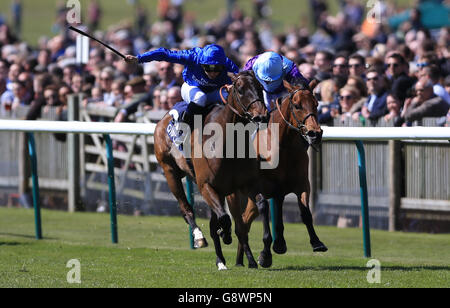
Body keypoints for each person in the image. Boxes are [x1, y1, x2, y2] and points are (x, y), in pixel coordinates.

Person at [124, 44, 239, 126]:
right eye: (208, 68)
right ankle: (182, 128)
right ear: (201, 63)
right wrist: (139, 59)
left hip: (215, 92)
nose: (213, 72)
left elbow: (242, 82)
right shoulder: (193, 56)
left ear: (223, 64)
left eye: (217, 68)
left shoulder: (229, 65)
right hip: (192, 87)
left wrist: (233, 86)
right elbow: (164, 54)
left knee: (232, 96)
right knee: (200, 98)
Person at [243, 51, 309, 111]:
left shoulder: (290, 67)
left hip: (283, 92)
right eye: (266, 80)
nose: (268, 82)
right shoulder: (250, 65)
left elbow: (301, 86)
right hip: (262, 91)